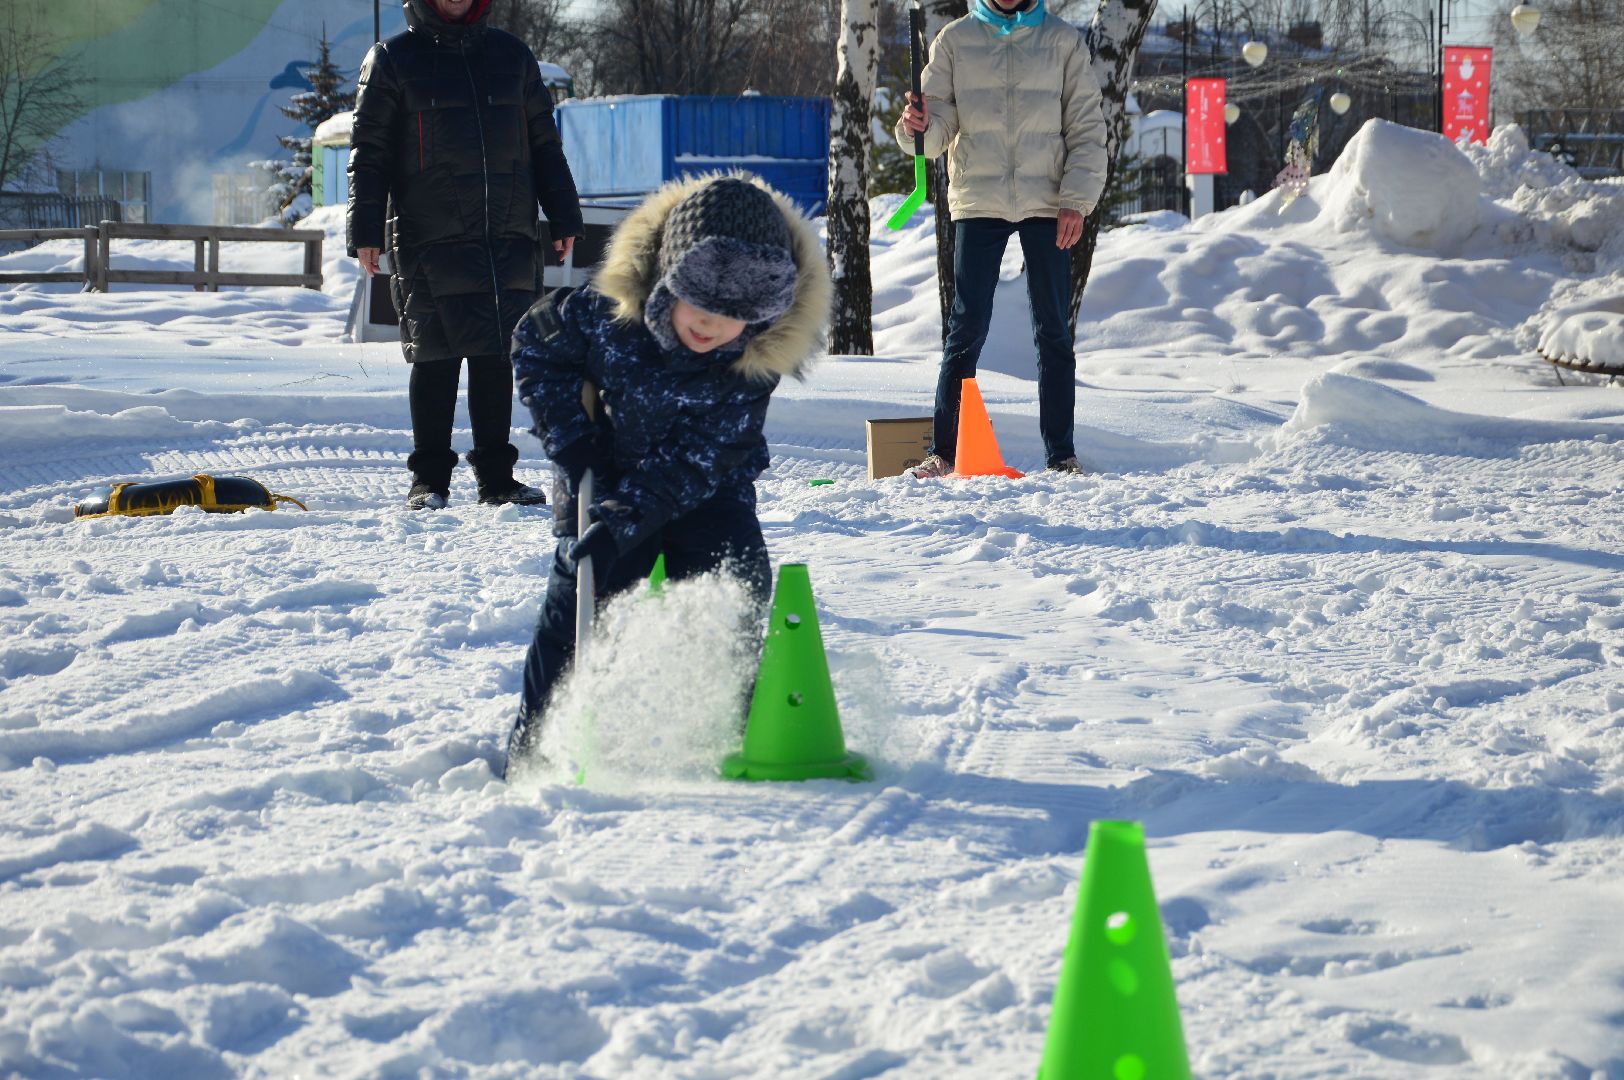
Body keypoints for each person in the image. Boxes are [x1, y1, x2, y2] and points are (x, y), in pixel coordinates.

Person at [503, 174, 832, 775]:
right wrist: (572, 442)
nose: (712, 326)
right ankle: (537, 756)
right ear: (667, 280)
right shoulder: (606, 315)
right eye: (699, 303)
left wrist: (626, 520)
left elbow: (702, 456)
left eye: (734, 316)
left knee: (735, 583)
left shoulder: (756, 360)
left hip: (705, 488)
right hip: (601, 476)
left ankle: (729, 739)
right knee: (577, 600)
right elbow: (535, 342)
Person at [347, 0, 584, 510]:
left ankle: (497, 479)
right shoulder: (391, 59)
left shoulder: (512, 56)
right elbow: (368, 152)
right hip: (427, 235)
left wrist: (564, 215)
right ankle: (429, 481)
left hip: (506, 231)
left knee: (497, 355)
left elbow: (545, 144)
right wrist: (364, 229)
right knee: (434, 355)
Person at [895, 0, 1108, 477]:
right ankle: (943, 452)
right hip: (979, 199)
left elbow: (1087, 128)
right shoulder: (954, 40)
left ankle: (1061, 455)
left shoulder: (1063, 41)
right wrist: (919, 128)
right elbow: (937, 130)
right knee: (966, 327)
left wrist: (1075, 198)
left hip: (1048, 202)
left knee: (1053, 329)